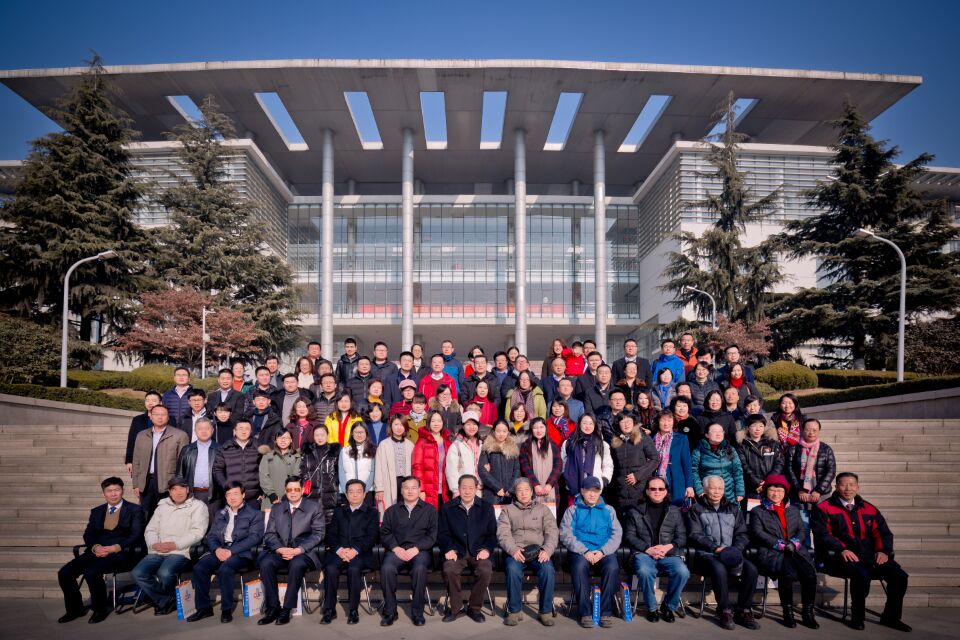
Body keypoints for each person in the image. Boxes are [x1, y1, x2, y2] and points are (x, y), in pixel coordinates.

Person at [813, 472, 911, 632]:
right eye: (843, 484)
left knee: (899, 577)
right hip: (838, 558)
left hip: (869, 556)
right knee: (861, 574)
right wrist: (841, 549)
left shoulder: (869, 508)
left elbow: (882, 533)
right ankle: (857, 617)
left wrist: (882, 551)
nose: (848, 488)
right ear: (836, 487)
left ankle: (891, 617)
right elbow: (822, 534)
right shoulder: (824, 508)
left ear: (858, 487)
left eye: (852, 485)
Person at [57, 477, 145, 624]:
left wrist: (115, 548)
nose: (113, 494)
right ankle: (75, 610)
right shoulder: (96, 511)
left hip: (121, 553)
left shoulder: (135, 510)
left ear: (122, 491)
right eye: (109, 491)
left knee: (91, 572)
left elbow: (136, 535)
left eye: (117, 490)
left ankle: (100, 609)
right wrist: (95, 547)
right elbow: (88, 534)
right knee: (64, 573)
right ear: (104, 493)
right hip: (97, 551)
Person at [686, 475, 760, 630]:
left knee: (751, 570)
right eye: (713, 488)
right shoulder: (696, 509)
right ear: (705, 489)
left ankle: (743, 609)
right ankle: (724, 610)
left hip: (731, 553)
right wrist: (715, 548)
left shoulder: (733, 509)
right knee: (719, 569)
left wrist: (736, 550)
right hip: (707, 555)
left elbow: (742, 534)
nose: (716, 491)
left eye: (720, 488)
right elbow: (695, 534)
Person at [187, 481, 265, 623]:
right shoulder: (220, 513)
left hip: (242, 553)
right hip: (220, 549)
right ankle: (204, 608)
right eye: (229, 494)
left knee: (225, 569)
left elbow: (255, 538)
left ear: (243, 495)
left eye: (235, 494)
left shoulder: (255, 514)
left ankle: (226, 609)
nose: (232, 497)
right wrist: (216, 549)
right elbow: (211, 536)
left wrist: (231, 551)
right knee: (199, 567)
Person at [749, 474, 819, 628]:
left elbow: (801, 530)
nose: (776, 494)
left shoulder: (793, 510)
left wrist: (794, 543)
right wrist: (780, 545)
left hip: (795, 550)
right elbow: (757, 533)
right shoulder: (757, 511)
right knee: (787, 574)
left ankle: (808, 612)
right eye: (772, 490)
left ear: (785, 493)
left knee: (810, 574)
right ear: (766, 491)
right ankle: (788, 612)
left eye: (780, 491)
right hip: (772, 552)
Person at [131, 477, 208, 615]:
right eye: (174, 489)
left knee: (165, 573)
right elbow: (151, 529)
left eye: (182, 488)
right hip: (158, 550)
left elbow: (198, 532)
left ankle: (161, 601)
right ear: (169, 492)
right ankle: (166, 600)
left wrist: (175, 545)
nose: (178, 492)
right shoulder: (162, 506)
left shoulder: (198, 506)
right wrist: (154, 544)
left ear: (187, 490)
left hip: (181, 551)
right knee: (137, 573)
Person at [257, 476, 326, 625]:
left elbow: (318, 534)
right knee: (266, 563)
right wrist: (280, 549)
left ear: (302, 490)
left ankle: (287, 609)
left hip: (304, 553)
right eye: (289, 490)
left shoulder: (314, 507)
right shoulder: (277, 508)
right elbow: (269, 534)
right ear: (285, 491)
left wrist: (298, 550)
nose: (293, 492)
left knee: (297, 564)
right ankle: (273, 607)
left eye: (296, 489)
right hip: (281, 550)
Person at [559, 476, 623, 628]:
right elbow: (565, 534)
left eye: (596, 490)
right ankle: (585, 612)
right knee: (579, 567)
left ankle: (605, 612)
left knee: (612, 567)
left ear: (600, 492)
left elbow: (616, 534)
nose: (592, 494)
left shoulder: (609, 510)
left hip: (603, 551)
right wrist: (584, 550)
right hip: (580, 552)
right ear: (582, 491)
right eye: (588, 490)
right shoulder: (572, 510)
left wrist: (602, 551)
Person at [624, 476, 690, 623]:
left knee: (682, 572)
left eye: (661, 489)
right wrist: (647, 549)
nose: (657, 491)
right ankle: (652, 608)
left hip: (668, 554)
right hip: (644, 553)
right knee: (645, 571)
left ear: (666, 492)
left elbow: (682, 537)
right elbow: (629, 536)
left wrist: (667, 547)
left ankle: (668, 606)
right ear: (647, 491)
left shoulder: (674, 511)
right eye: (653, 488)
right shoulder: (635, 511)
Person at [497, 477, 559, 627]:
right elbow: (503, 534)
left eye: (526, 490)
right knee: (512, 569)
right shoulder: (507, 511)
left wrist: (547, 550)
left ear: (532, 492)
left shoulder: (543, 509)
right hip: (517, 551)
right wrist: (513, 549)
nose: (523, 493)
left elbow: (552, 532)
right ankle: (514, 611)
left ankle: (545, 611)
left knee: (548, 570)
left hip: (538, 551)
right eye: (520, 490)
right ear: (515, 493)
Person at [379, 476, 438, 627]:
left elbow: (432, 535)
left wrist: (417, 548)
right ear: (401, 490)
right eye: (406, 488)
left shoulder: (430, 510)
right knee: (387, 568)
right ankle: (390, 611)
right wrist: (395, 548)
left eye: (413, 488)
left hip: (420, 551)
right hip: (397, 550)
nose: (410, 491)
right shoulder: (392, 511)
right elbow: (385, 533)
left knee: (419, 569)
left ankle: (417, 613)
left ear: (419, 490)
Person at [438, 474, 497, 623]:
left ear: (476, 489)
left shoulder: (486, 507)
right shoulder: (447, 507)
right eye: (464, 487)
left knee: (485, 569)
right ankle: (456, 608)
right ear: (458, 489)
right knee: (449, 569)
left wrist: (486, 549)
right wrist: (448, 549)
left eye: (471, 488)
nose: (467, 491)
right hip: (457, 551)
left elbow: (492, 534)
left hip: (479, 552)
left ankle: (474, 608)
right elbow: (442, 533)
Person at [320, 479, 380, 625]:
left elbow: (372, 536)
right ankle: (329, 609)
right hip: (340, 552)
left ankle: (353, 610)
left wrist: (355, 550)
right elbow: (331, 535)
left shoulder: (372, 512)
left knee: (354, 569)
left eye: (358, 492)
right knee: (330, 568)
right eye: (351, 492)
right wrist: (340, 550)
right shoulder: (339, 511)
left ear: (364, 494)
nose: (355, 495)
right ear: (346, 495)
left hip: (361, 553)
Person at [131, 404, 189, 521]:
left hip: (169, 483)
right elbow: (136, 460)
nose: (160, 417)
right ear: (150, 416)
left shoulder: (180, 435)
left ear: (168, 417)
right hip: (146, 482)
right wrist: (136, 484)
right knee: (145, 516)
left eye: (163, 414)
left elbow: (184, 463)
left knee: (168, 517)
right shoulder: (142, 435)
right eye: (156, 414)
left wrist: (179, 484)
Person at [785, 417, 836, 547]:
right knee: (803, 526)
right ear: (802, 430)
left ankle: (821, 554)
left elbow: (831, 471)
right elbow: (789, 470)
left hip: (821, 495)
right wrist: (799, 490)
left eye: (814, 430)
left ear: (819, 431)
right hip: (799, 495)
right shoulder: (794, 449)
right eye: (808, 429)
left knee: (821, 527)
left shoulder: (826, 449)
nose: (811, 433)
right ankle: (806, 551)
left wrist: (818, 491)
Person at [610, 413, 660, 510]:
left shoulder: (642, 437)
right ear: (618, 424)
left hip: (640, 488)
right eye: (622, 422)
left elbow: (655, 459)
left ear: (634, 422)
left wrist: (637, 475)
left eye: (629, 421)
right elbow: (614, 466)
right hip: (621, 490)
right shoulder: (615, 442)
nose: (626, 424)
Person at [175, 418, 222, 520]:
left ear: (212, 430)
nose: (204, 431)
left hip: (213, 495)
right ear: (195, 431)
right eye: (200, 429)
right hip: (192, 494)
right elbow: (179, 475)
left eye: (207, 428)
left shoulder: (220, 449)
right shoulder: (187, 449)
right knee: (192, 523)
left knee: (212, 524)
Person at [692, 423, 745, 505]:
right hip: (708, 494)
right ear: (706, 435)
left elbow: (738, 471)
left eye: (721, 431)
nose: (718, 434)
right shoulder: (698, 451)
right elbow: (693, 472)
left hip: (729, 494)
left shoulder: (730, 449)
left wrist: (740, 491)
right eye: (714, 431)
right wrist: (700, 490)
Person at [561, 414, 614, 496]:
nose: (588, 426)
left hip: (595, 487)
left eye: (591, 423)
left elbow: (608, 464)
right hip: (573, 486)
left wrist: (604, 480)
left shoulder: (601, 444)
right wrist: (567, 478)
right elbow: (563, 463)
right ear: (579, 424)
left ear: (595, 425)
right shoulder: (569, 443)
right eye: (584, 423)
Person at [213, 420, 261, 509]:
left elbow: (265, 471)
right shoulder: (225, 448)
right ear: (234, 431)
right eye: (241, 429)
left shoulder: (258, 447)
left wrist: (262, 492)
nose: (244, 431)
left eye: (247, 429)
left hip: (253, 497)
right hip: (232, 497)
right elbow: (217, 470)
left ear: (251, 431)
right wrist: (226, 486)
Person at [652, 410, 695, 506]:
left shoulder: (681, 438)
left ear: (673, 422)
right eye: (663, 420)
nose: (666, 423)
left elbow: (687, 463)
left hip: (676, 479)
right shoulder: (652, 439)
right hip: (656, 479)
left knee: (676, 508)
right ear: (658, 422)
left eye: (669, 420)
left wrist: (689, 485)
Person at [299, 424, 340, 525]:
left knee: (330, 527)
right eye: (317, 435)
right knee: (313, 526)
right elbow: (302, 472)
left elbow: (339, 473)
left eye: (322, 435)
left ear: (327, 435)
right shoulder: (307, 452)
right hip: (311, 496)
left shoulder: (334, 452)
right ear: (313, 436)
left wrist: (335, 486)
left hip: (330, 497)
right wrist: (304, 485)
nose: (320, 438)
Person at [412, 410, 453, 508]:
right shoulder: (422, 442)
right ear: (428, 423)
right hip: (428, 490)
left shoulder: (448, 442)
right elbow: (417, 467)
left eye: (439, 421)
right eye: (433, 421)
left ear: (443, 423)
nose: (436, 424)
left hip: (445, 490)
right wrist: (420, 489)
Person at [736, 415, 784, 498]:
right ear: (747, 428)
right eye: (754, 426)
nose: (757, 429)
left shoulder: (773, 443)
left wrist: (768, 481)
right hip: (752, 487)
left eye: (761, 426)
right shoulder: (742, 446)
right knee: (755, 506)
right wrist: (757, 482)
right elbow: (743, 466)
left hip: (772, 486)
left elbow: (779, 463)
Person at [375, 414, 415, 512]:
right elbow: (378, 468)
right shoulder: (384, 445)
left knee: (405, 509)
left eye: (401, 425)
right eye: (396, 424)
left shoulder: (410, 445)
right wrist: (379, 488)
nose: (399, 428)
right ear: (391, 426)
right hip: (389, 481)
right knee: (390, 510)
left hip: (405, 482)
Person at [519, 417, 563, 504]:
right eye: (535, 428)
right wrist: (535, 484)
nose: (538, 430)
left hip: (551, 489)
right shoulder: (525, 446)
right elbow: (525, 467)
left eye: (541, 427)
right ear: (531, 430)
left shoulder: (553, 445)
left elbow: (558, 466)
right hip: (532, 488)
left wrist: (549, 484)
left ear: (546, 428)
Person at [478, 420, 521, 505]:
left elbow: (517, 470)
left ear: (508, 432)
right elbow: (482, 470)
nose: (501, 434)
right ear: (493, 432)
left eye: (504, 431)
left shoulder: (513, 448)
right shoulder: (487, 448)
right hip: (492, 493)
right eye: (498, 431)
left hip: (510, 493)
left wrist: (511, 488)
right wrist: (497, 487)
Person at [259, 430, 302, 512]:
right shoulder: (268, 456)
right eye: (280, 437)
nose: (283, 440)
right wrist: (271, 494)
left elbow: (296, 477)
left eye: (286, 438)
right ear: (275, 440)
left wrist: (287, 494)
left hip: (290, 499)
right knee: (269, 519)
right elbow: (263, 476)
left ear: (291, 440)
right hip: (270, 499)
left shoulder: (297, 457)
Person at [338, 423, 376, 505]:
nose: (359, 435)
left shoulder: (372, 450)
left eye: (361, 432)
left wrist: (364, 490)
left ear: (366, 433)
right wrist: (346, 491)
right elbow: (341, 472)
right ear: (352, 433)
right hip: (348, 493)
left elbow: (373, 472)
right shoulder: (344, 451)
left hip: (367, 492)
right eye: (356, 432)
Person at [445, 415, 483, 498]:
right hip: (462, 490)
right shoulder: (456, 445)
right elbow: (451, 470)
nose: (472, 427)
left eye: (474, 424)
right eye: (468, 424)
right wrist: (456, 490)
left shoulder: (481, 444)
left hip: (479, 489)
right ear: (463, 426)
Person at [125, 391, 161, 476]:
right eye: (147, 400)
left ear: (160, 403)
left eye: (154, 400)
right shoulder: (137, 420)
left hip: (161, 460)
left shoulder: (169, 419)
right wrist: (129, 461)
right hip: (141, 460)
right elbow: (131, 440)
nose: (150, 403)